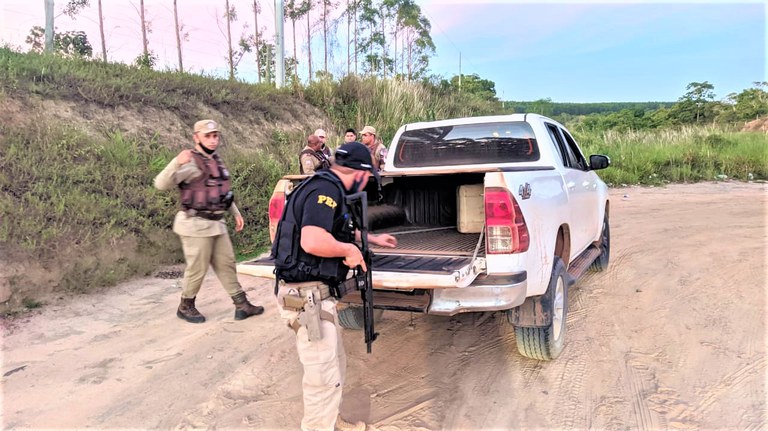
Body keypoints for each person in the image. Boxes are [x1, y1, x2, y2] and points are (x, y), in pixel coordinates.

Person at [271, 142, 398, 431]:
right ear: (360, 173)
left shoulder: (327, 187)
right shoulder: (325, 191)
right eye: (368, 177)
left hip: (315, 296)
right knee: (322, 378)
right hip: (307, 298)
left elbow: (334, 227)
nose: (366, 183)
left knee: (334, 367)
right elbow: (313, 240)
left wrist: (371, 239)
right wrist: (348, 251)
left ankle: (333, 423)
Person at [154, 119, 265, 324]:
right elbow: (160, 183)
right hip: (195, 224)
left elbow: (222, 191)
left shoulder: (216, 160)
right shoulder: (189, 163)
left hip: (217, 223)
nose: (213, 140)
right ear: (196, 137)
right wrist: (176, 162)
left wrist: (235, 212)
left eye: (215, 136)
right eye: (208, 136)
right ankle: (185, 306)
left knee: (227, 264)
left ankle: (242, 305)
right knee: (197, 268)